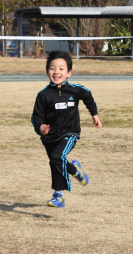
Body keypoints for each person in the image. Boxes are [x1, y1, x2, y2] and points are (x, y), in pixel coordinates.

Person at [31, 50, 102, 208]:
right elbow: (36, 117)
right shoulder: (43, 95)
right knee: (57, 160)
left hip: (70, 133)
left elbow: (88, 95)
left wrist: (94, 114)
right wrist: (40, 127)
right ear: (47, 71)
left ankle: (59, 195)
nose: (56, 72)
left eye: (61, 69)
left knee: (57, 157)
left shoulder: (75, 90)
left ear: (69, 73)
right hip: (49, 138)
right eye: (52, 68)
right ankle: (75, 170)